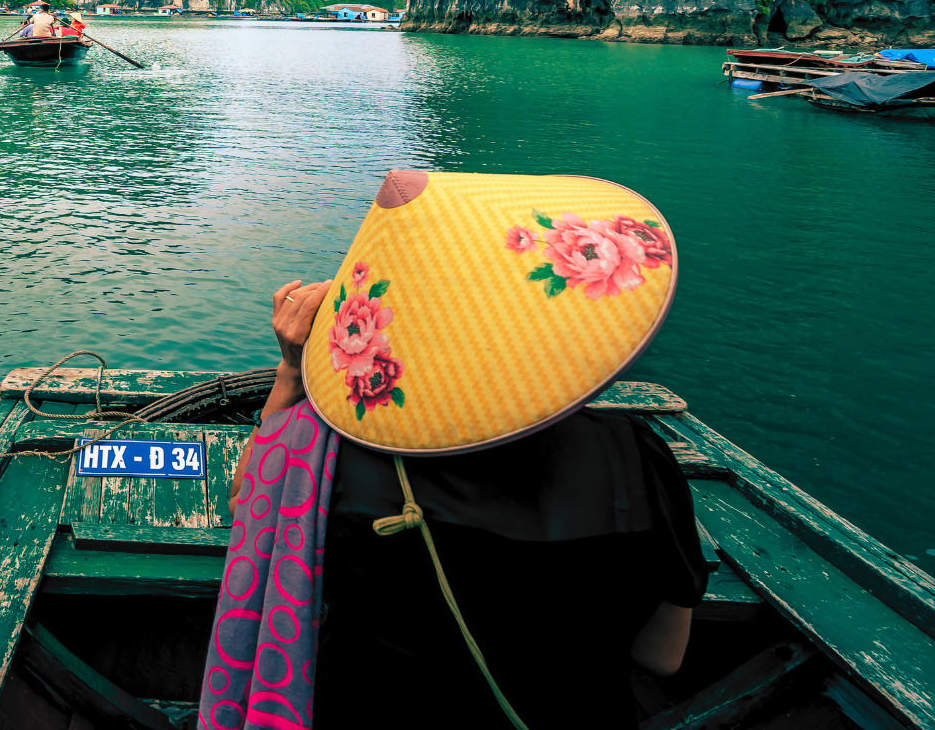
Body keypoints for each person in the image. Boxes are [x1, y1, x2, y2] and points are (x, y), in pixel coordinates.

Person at [212, 171, 705, 730]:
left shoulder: (328, 453)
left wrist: (293, 372)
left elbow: (249, 512)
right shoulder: (635, 458)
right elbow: (662, 656)